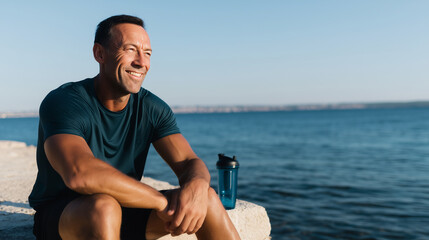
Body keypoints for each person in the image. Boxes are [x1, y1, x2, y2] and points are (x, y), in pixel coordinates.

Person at [28, 15, 241, 240]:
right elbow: (81, 174)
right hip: (67, 215)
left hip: (125, 208)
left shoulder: (153, 108)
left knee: (206, 198)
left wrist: (197, 187)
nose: (141, 62)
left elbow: (188, 162)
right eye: (130, 50)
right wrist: (161, 201)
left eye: (147, 53)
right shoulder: (65, 101)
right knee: (104, 207)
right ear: (99, 53)